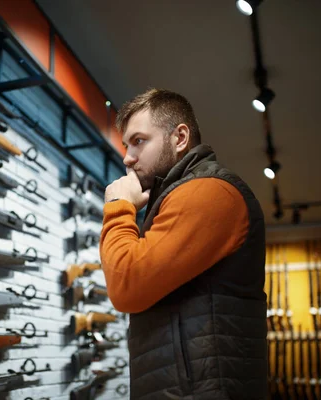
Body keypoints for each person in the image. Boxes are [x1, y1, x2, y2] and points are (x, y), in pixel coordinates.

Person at [100, 89, 267, 399]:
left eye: (139, 141)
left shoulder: (207, 192)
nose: (127, 157)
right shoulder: (179, 196)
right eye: (126, 145)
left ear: (179, 138)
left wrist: (119, 207)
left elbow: (127, 283)